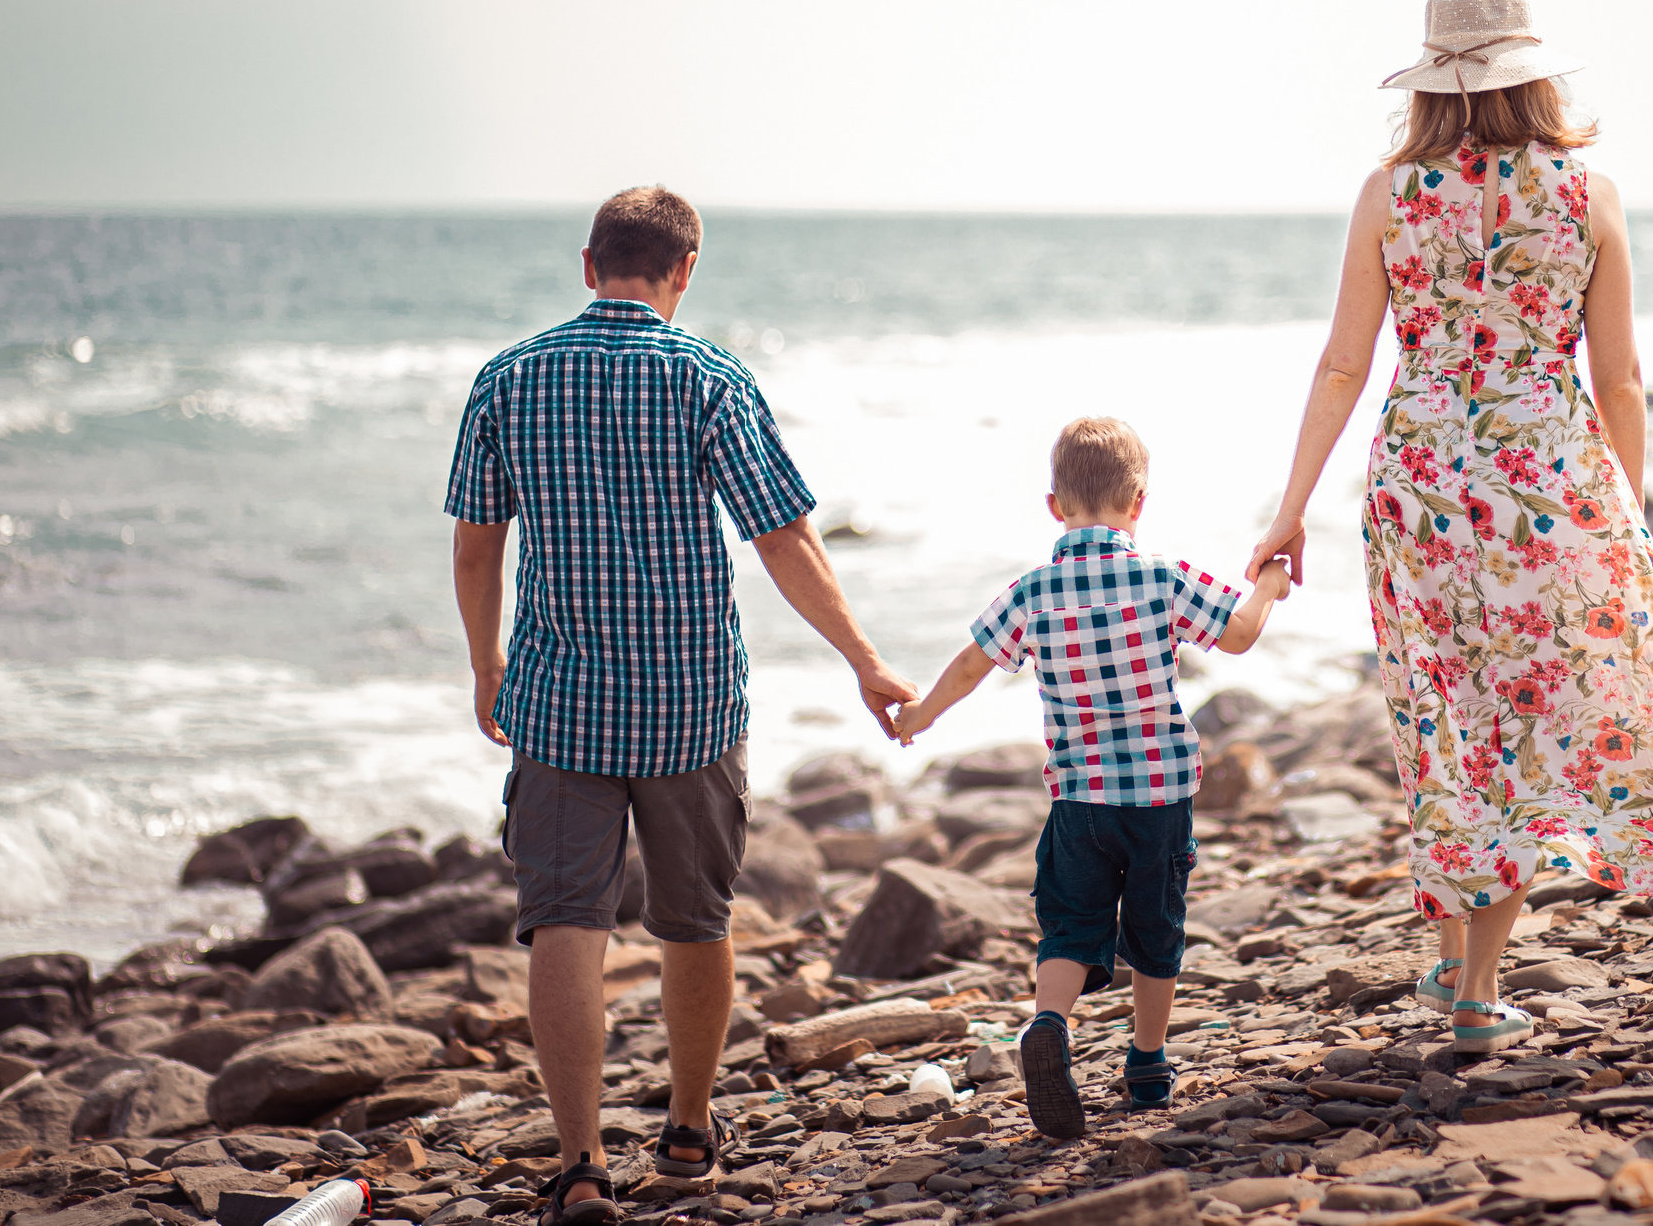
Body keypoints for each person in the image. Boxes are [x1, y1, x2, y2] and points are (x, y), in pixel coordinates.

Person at [1247, 0, 1653, 1054]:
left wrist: (1288, 510)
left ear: (1435, 85)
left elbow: (1345, 361)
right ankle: (1468, 983)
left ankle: (1462, 978)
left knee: (1446, 720)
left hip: (1422, 489)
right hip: (1549, 489)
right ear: (1533, 75)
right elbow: (1618, 379)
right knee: (1529, 719)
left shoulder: (1389, 194)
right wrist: (1622, 511)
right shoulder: (1589, 196)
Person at [447, 186, 920, 1226]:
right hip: (691, 704)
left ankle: (578, 1165)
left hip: (559, 700)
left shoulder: (508, 378)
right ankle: (690, 1130)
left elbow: (477, 542)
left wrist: (484, 663)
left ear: (587, 265)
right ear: (684, 270)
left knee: (564, 923)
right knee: (693, 923)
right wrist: (864, 659)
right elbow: (784, 539)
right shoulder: (708, 377)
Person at [893, 417, 1290, 1138]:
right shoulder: (1161, 575)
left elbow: (971, 664)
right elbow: (1238, 632)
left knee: (1071, 926)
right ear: (1137, 500)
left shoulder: (1032, 591)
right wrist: (1266, 583)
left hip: (1078, 799)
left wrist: (921, 712)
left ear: (1055, 506)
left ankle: (1048, 1022)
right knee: (1155, 926)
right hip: (1159, 797)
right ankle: (1146, 1059)